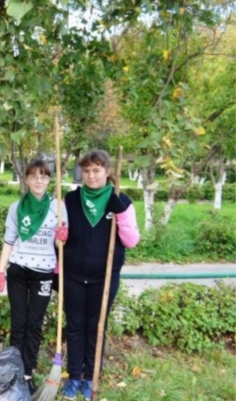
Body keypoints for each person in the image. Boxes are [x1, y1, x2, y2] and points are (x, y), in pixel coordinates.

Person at [60, 150, 140, 400]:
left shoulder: (121, 200)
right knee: (75, 326)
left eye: (96, 170)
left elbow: (131, 240)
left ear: (107, 172)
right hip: (73, 275)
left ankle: (90, 377)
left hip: (104, 278)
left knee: (96, 327)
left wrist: (121, 214)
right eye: (86, 171)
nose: (91, 175)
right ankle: (74, 376)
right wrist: (58, 236)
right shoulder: (71, 200)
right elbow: (61, 236)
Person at [0, 159, 68, 395]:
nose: (39, 180)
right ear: (26, 179)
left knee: (34, 324)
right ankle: (15, 373)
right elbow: (9, 240)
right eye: (34, 176)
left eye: (44, 176)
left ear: (49, 180)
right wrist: (0, 271)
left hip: (43, 273)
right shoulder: (16, 208)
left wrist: (62, 236)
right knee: (19, 323)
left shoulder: (58, 207)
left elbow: (59, 244)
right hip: (18, 271)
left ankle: (28, 372)